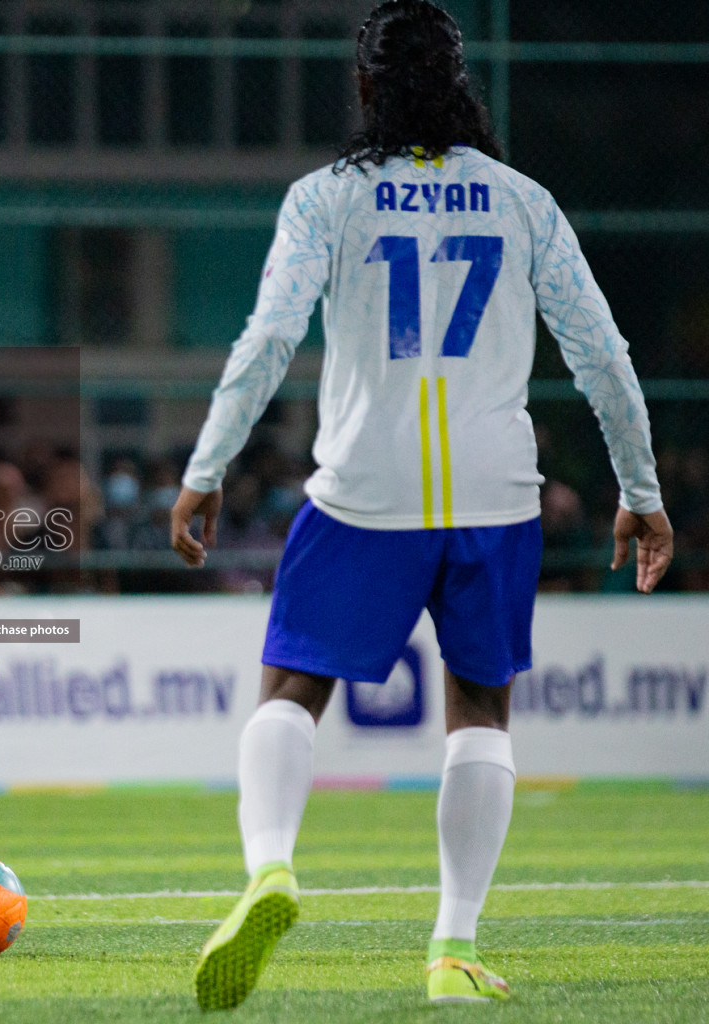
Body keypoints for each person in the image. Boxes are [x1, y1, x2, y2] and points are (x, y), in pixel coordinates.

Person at [168, 0, 673, 1009]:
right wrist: (641, 490)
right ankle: (451, 948)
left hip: (364, 488)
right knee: (481, 709)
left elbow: (267, 338)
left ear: (364, 87)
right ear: (461, 84)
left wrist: (207, 464)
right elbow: (603, 355)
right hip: (495, 492)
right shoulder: (524, 201)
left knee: (290, 690)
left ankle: (270, 865)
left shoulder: (326, 200)